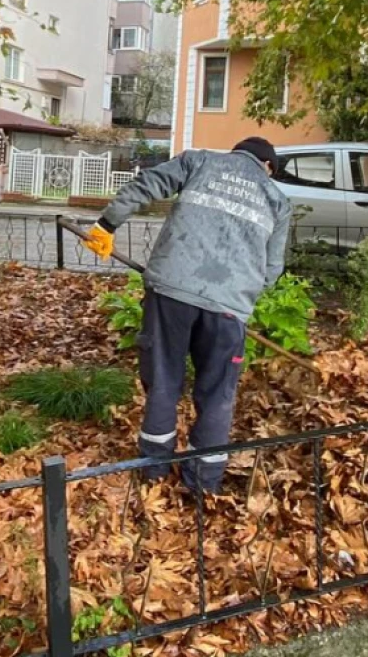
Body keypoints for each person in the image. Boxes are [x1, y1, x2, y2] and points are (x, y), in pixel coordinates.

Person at [83, 137, 293, 494]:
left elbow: (146, 184)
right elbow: (272, 271)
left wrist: (107, 224)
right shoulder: (278, 200)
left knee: (164, 380)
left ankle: (153, 472)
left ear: (235, 151)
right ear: (268, 166)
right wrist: (236, 294)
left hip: (170, 292)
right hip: (228, 308)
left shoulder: (200, 161)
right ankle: (203, 484)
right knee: (216, 395)